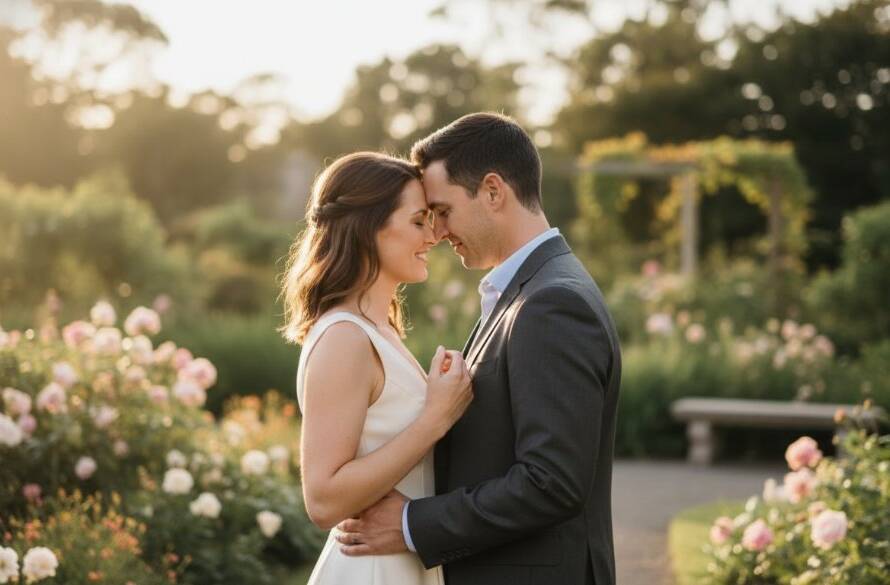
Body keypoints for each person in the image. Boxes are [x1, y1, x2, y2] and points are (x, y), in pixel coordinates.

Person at [334, 113, 622, 585]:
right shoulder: (530, 290)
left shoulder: (552, 302)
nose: (438, 232)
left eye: (443, 210)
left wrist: (410, 524)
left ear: (492, 191)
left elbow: (552, 483)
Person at [280, 151, 473, 585]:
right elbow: (323, 500)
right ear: (369, 227)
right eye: (419, 220)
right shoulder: (344, 338)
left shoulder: (378, 330)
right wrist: (435, 418)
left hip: (400, 563)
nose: (434, 235)